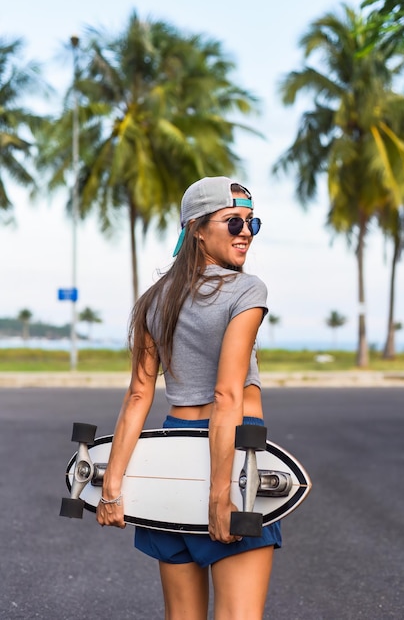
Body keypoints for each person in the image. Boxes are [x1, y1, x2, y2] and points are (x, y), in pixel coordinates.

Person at [97, 176, 281, 619]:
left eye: (252, 224)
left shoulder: (153, 300)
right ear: (196, 229)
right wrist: (220, 495)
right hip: (236, 454)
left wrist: (112, 486)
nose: (244, 233)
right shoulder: (246, 290)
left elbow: (139, 395)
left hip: (170, 452)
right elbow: (226, 393)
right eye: (233, 221)